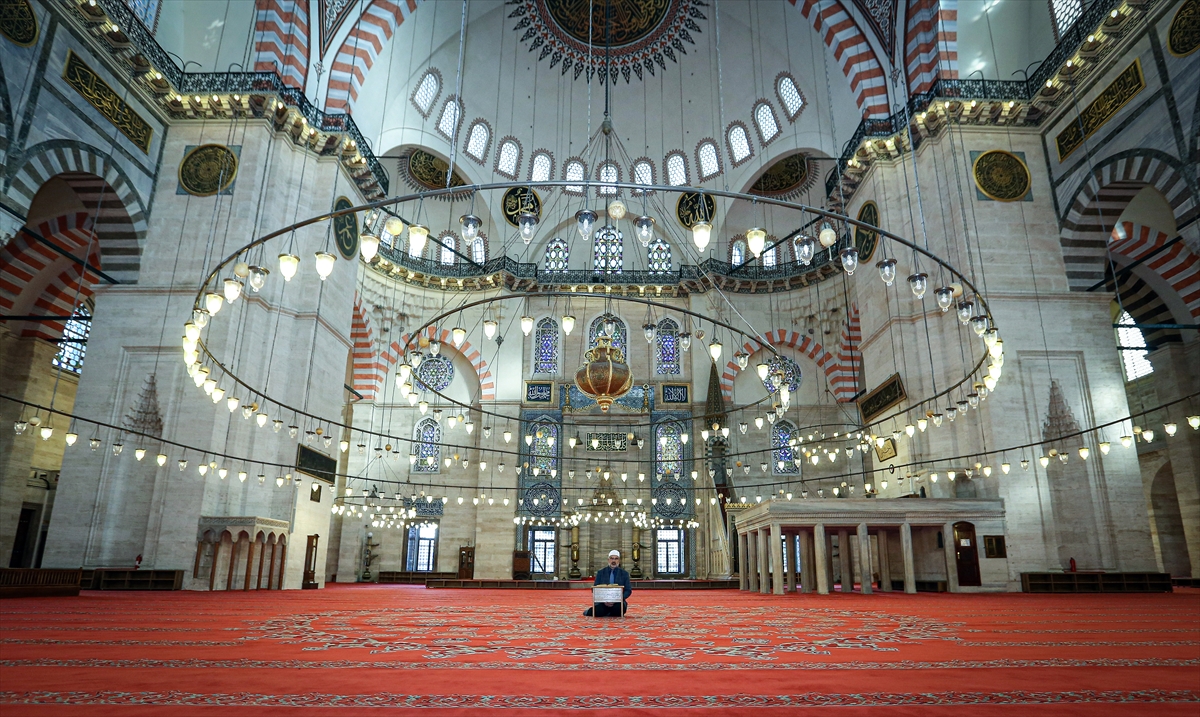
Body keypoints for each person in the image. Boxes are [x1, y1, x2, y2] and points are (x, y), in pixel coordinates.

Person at [583, 550, 632, 617]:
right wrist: (604, 600)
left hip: (618, 602)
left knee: (618, 610)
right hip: (603, 602)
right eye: (612, 558)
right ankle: (591, 611)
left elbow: (628, 590)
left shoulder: (624, 574)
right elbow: (594, 589)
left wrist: (618, 599)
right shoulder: (600, 572)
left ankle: (608, 612)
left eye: (616, 558)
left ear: (619, 560)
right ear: (608, 560)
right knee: (598, 611)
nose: (613, 561)